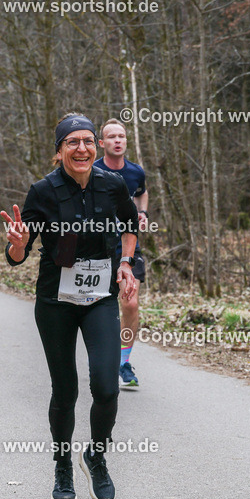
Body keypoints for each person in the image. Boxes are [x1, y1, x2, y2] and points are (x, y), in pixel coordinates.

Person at [2, 113, 139, 499]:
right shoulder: (42, 191)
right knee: (66, 391)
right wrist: (17, 241)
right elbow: (18, 255)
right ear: (59, 151)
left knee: (107, 387)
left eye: (87, 141)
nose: (82, 148)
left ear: (96, 147)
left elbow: (130, 224)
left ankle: (96, 455)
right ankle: (63, 465)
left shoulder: (112, 185)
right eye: (72, 143)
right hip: (55, 303)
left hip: (99, 299)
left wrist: (126, 264)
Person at [93, 118, 150, 390]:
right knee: (100, 309)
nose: (118, 140)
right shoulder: (90, 171)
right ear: (101, 143)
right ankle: (104, 357)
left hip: (130, 248)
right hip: (97, 250)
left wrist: (143, 213)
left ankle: (123, 362)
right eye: (112, 137)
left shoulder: (135, 172)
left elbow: (142, 192)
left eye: (122, 136)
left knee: (130, 304)